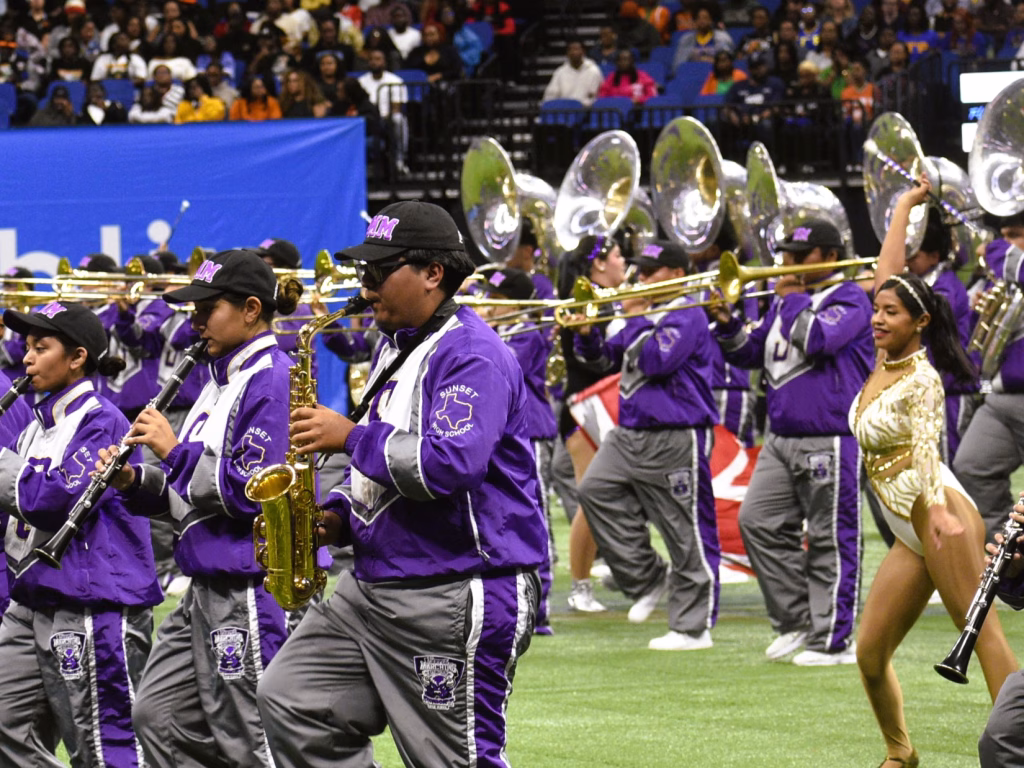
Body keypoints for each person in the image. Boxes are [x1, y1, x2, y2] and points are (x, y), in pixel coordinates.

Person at [255, 200, 548, 767]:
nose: (365, 288)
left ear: (432, 274)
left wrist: (350, 437)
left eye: (378, 272)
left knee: (454, 760)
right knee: (291, 697)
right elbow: (379, 464)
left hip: (457, 584)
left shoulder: (471, 354)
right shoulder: (396, 344)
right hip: (377, 583)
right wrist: (336, 515)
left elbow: (450, 465)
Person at [98, 249, 302, 768]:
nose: (194, 324)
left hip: (250, 580)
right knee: (158, 717)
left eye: (207, 310)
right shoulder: (219, 378)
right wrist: (133, 480)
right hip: (207, 577)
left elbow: (254, 490)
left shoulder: (272, 378)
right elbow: (187, 492)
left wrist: (173, 451)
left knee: (253, 736)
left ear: (251, 310)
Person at [854, 176, 1018, 767]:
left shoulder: (922, 378)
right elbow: (889, 272)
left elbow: (928, 446)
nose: (877, 318)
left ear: (918, 322)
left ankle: (1018, 748)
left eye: (890, 312)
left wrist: (939, 513)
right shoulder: (883, 352)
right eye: (876, 309)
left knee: (983, 636)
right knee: (869, 652)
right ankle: (900, 753)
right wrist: (905, 204)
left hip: (938, 514)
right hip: (911, 528)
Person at [0, 301, 162, 767]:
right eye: (27, 346)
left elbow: (51, 500)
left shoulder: (102, 420)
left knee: (102, 747)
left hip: (91, 604)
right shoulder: (37, 425)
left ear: (76, 358)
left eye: (41, 347)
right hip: (32, 597)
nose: (27, 357)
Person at [710, 218, 873, 665]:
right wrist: (727, 325)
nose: (786, 262)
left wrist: (792, 298)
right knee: (756, 522)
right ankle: (798, 620)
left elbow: (817, 340)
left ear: (829, 256)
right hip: (781, 436)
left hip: (830, 435)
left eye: (798, 256)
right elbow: (753, 353)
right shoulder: (787, 301)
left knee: (830, 537)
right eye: (785, 253)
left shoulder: (850, 298)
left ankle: (834, 640)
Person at [573, 241, 721, 650]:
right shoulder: (644, 313)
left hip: (676, 432)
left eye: (651, 272)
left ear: (677, 274)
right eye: (640, 270)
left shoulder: (688, 312)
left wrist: (635, 315)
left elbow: (656, 361)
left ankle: (694, 628)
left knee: (685, 529)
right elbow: (605, 360)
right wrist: (586, 335)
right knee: (593, 490)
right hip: (630, 430)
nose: (641, 278)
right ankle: (650, 577)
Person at [475, 267, 557, 634]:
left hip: (532, 431)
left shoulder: (527, 334)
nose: (488, 305)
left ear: (517, 303)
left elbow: (498, 371)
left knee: (535, 512)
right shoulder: (497, 332)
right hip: (505, 432)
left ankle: (541, 605)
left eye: (497, 299)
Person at [559, 235, 629, 612]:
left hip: (608, 406)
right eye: (618, 255)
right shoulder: (586, 300)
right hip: (586, 409)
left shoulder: (614, 299)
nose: (624, 261)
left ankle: (623, 566)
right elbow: (595, 362)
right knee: (592, 499)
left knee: (623, 495)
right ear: (599, 263)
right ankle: (580, 587)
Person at [954, 215, 1024, 537]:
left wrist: (996, 248)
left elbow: (1011, 260)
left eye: (1016, 235)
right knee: (972, 467)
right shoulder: (1005, 284)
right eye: (1004, 235)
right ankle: (1012, 554)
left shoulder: (1011, 263)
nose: (1008, 242)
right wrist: (981, 313)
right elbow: (976, 351)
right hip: (1002, 398)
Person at [541, 38, 604, 107]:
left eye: (576, 49)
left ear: (583, 52)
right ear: (567, 53)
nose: (574, 52)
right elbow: (550, 95)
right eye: (571, 50)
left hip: (587, 110)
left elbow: (597, 96)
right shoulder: (560, 72)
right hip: (565, 109)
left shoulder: (593, 71)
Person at [672, 3, 734, 68]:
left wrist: (713, 61)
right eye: (698, 18)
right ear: (695, 21)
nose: (702, 21)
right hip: (692, 72)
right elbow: (678, 66)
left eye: (705, 18)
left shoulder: (722, 37)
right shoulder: (686, 40)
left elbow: (727, 63)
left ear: (711, 20)